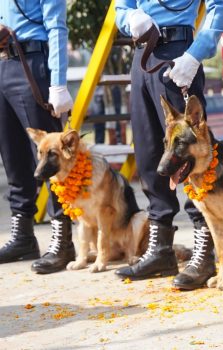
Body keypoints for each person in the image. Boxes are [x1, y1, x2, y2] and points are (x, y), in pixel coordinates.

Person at [114, 0, 223, 287]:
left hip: (180, 55)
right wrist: (130, 17)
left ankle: (205, 249)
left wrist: (195, 55)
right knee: (149, 150)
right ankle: (160, 248)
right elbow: (121, 9)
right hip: (142, 56)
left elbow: (219, 7)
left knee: (191, 156)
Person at [0, 0, 75, 273]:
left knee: (51, 161)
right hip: (3, 63)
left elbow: (56, 26)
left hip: (32, 63)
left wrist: (58, 82)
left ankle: (63, 241)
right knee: (13, 156)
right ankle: (22, 235)